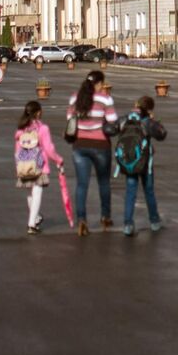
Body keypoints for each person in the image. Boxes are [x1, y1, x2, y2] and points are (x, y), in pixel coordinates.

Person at [66, 69, 119, 236]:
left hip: (79, 145)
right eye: (102, 84)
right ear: (98, 84)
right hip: (101, 145)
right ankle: (105, 216)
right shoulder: (105, 99)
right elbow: (113, 121)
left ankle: (82, 220)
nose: (103, 87)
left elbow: (69, 119)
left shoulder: (75, 97)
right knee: (103, 182)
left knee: (82, 184)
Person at [114, 94, 169, 236]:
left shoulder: (127, 119)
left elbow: (111, 128)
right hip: (146, 163)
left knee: (130, 192)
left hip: (130, 161)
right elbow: (162, 134)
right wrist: (154, 121)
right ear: (149, 109)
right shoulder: (147, 122)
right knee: (149, 191)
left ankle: (127, 224)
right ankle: (154, 221)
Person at [14, 100, 62, 234]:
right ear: (38, 112)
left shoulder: (21, 129)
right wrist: (58, 160)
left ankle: (36, 218)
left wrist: (18, 165)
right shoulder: (42, 128)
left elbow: (17, 150)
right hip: (39, 165)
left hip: (24, 165)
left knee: (31, 193)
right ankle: (32, 224)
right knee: (37, 192)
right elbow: (49, 148)